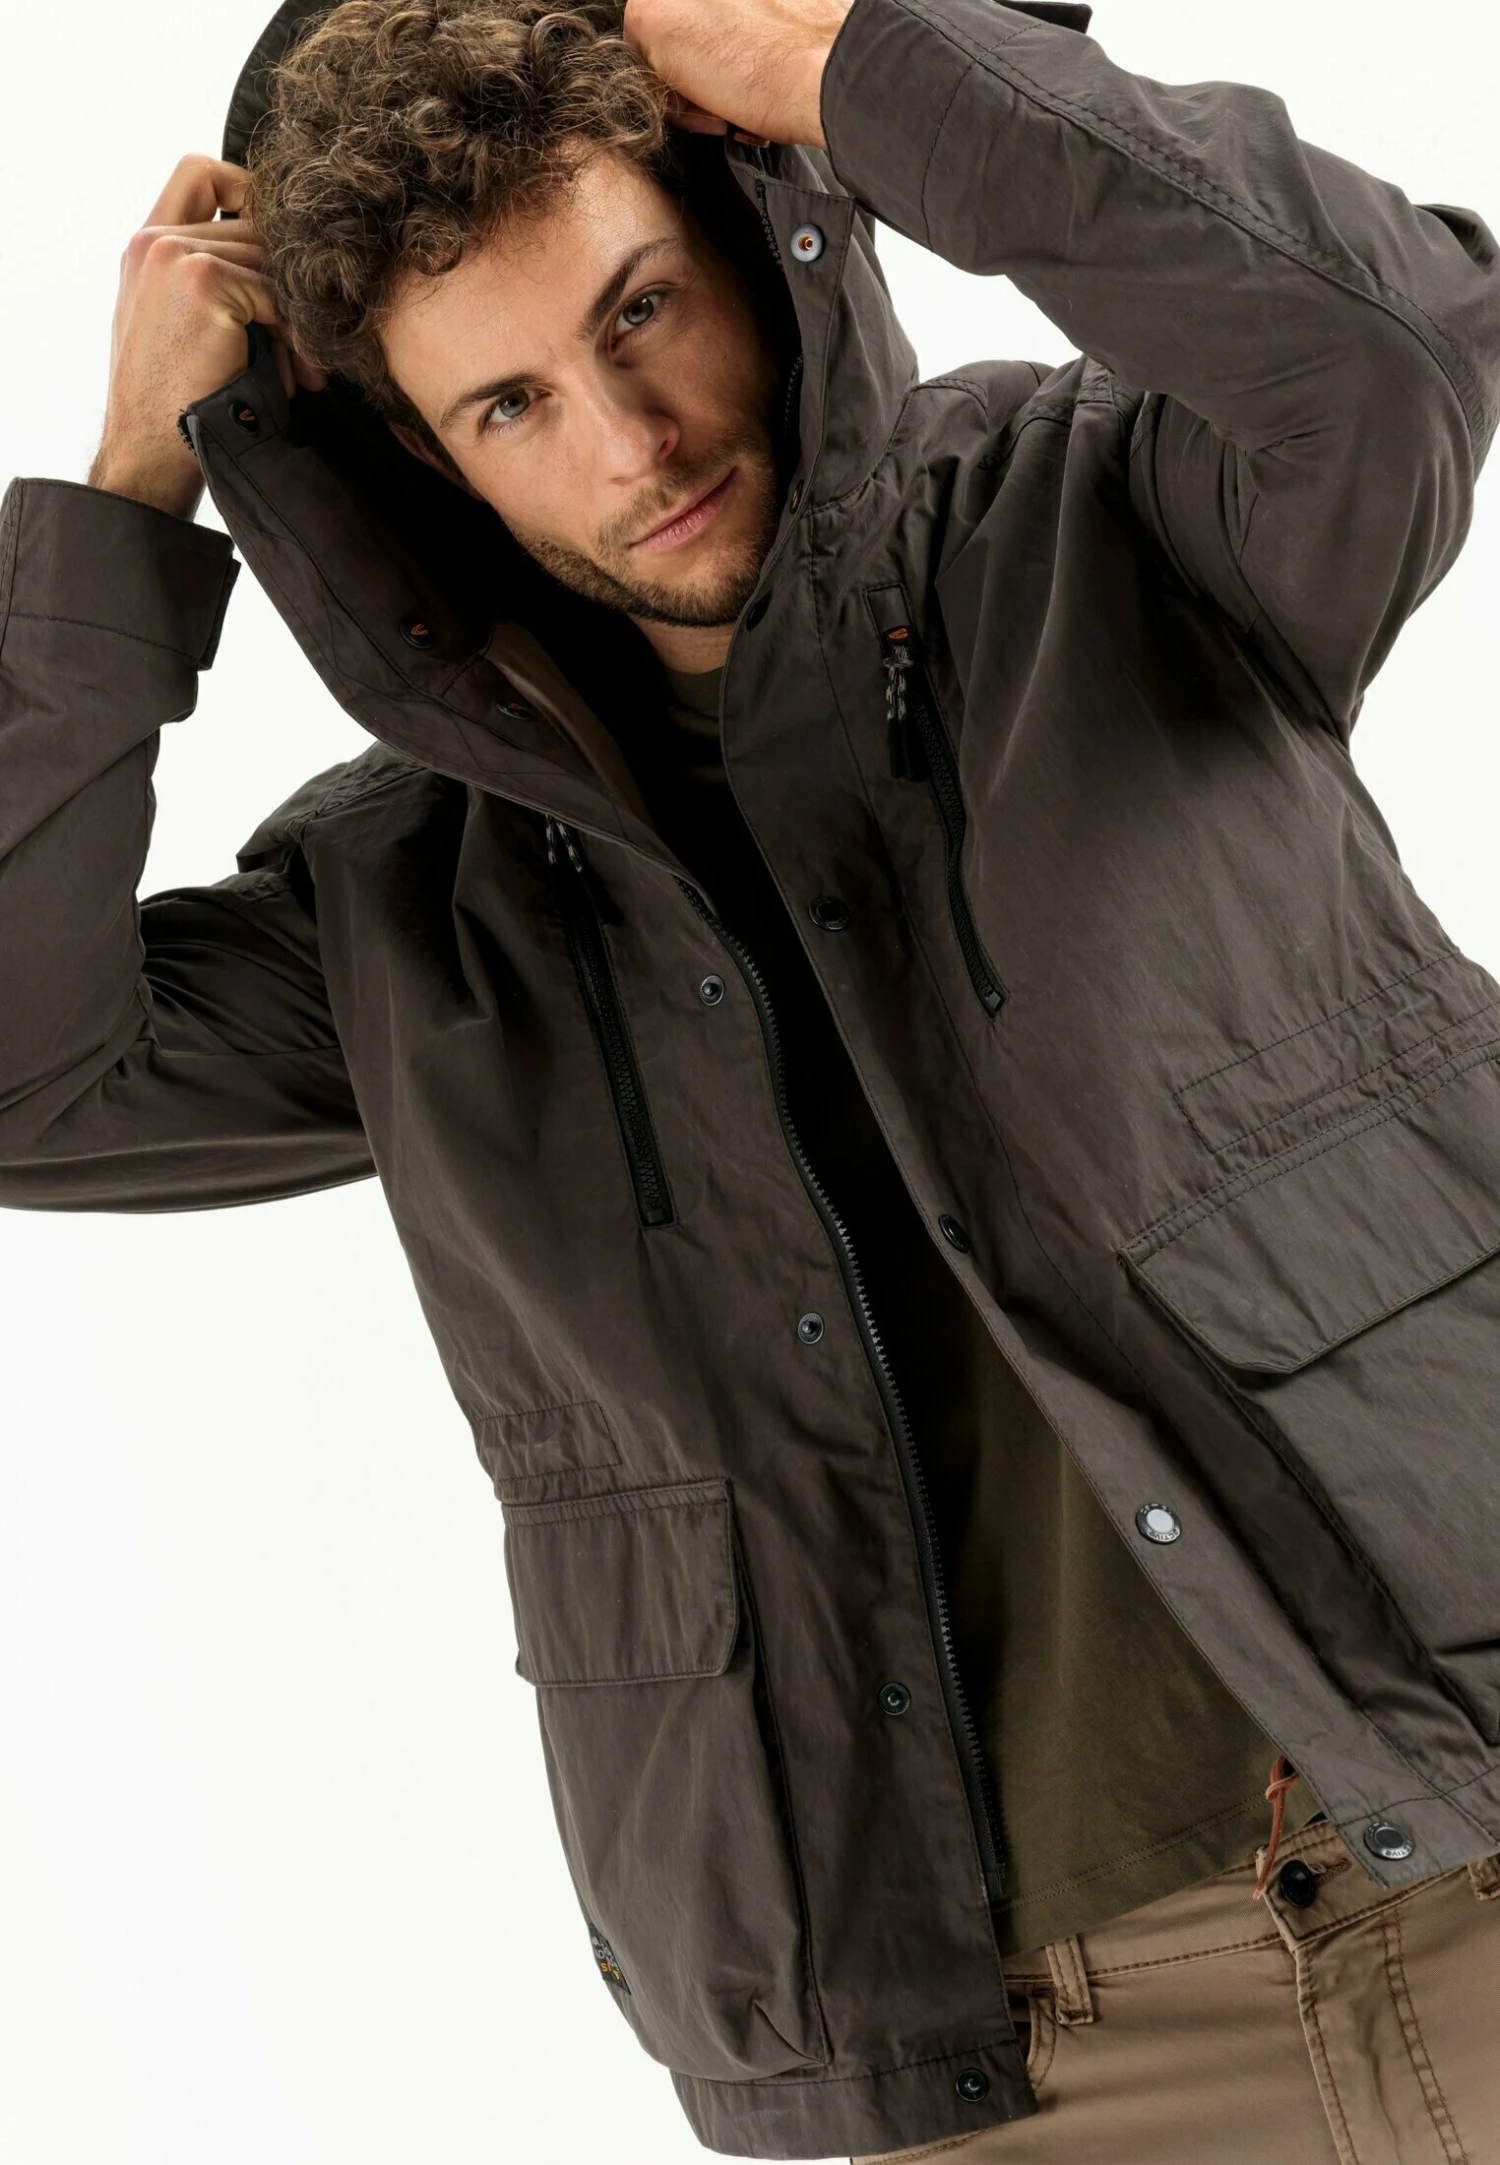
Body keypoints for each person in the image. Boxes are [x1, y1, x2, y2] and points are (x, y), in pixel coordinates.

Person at [3, 0, 1500, 2155]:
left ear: (739, 230)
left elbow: (1398, 349)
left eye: (642, 310)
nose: (631, 443)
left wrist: (865, 71)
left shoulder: (1110, 520)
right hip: (1035, 2065)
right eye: (511, 401)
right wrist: (124, 498)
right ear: (423, 459)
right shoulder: (410, 907)